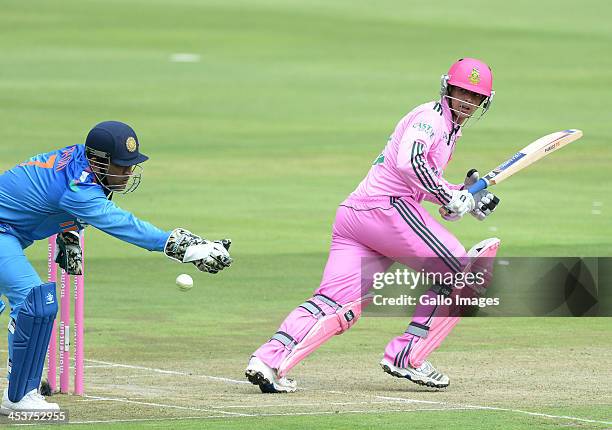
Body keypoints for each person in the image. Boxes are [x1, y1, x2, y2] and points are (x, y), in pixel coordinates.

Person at [245, 58, 501, 393]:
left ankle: (269, 361)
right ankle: (407, 356)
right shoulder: (431, 119)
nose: (466, 101)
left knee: (338, 303)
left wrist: (461, 197)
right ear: (447, 88)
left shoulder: (449, 128)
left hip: (357, 215)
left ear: (484, 102)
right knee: (462, 273)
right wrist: (447, 194)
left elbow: (421, 180)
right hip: (387, 211)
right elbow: (409, 162)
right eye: (461, 91)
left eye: (474, 96)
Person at [0, 121, 233, 413]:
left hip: (10, 233)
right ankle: (19, 397)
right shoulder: (80, 188)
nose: (127, 173)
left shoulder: (80, 164)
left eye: (130, 166)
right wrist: (185, 246)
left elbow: (45, 195)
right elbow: (123, 225)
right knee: (36, 302)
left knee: (32, 302)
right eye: (121, 167)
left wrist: (69, 229)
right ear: (97, 160)